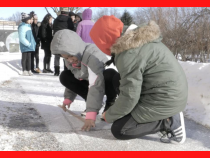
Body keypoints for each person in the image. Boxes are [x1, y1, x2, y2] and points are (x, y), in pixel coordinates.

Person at [89, 15, 188, 144]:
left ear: (105, 41)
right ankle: (158, 116)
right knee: (116, 79)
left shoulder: (129, 53)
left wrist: (109, 115)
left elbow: (130, 95)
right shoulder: (137, 41)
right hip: (170, 93)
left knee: (120, 129)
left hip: (166, 99)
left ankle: (168, 122)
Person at [51, 29, 118, 127]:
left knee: (110, 74)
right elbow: (74, 77)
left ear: (76, 49)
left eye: (70, 55)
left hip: (101, 82)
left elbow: (96, 83)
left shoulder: (92, 54)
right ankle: (90, 103)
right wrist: (68, 98)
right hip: (88, 83)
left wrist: (91, 114)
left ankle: (110, 102)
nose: (69, 60)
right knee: (65, 76)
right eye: (65, 58)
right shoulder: (69, 60)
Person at [53, 7, 74, 76]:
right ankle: (66, 70)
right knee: (66, 56)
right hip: (66, 39)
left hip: (57, 38)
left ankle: (56, 71)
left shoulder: (56, 20)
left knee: (57, 56)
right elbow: (72, 29)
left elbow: (53, 28)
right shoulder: (69, 20)